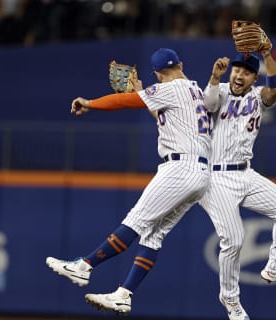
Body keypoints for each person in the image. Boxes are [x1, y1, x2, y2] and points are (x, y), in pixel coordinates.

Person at [46, 48, 212, 316]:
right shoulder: (196, 91)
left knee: (136, 221)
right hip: (201, 174)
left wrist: (89, 102)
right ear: (181, 64)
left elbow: (123, 102)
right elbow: (168, 120)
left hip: (180, 168)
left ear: (157, 73)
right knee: (153, 235)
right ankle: (123, 295)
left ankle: (84, 267)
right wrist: (144, 95)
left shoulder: (168, 89)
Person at [199, 51, 276, 320]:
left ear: (254, 78)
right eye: (237, 69)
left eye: (246, 72)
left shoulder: (258, 96)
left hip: (246, 173)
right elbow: (209, 105)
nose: (239, 75)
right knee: (233, 240)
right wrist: (214, 76)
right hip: (216, 177)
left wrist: (267, 54)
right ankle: (230, 299)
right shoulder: (218, 89)